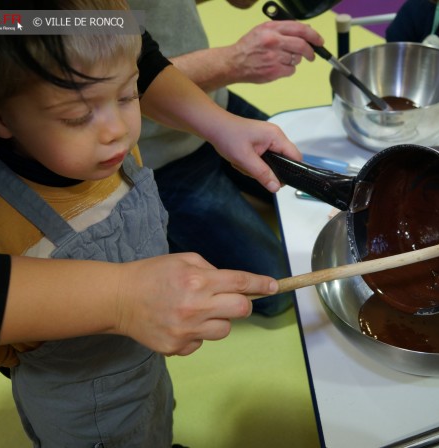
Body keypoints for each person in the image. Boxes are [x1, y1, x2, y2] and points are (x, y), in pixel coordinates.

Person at [0, 0, 303, 445]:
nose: (118, 131)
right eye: (76, 116)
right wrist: (105, 306)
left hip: (141, 366)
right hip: (85, 414)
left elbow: (127, 56)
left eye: (128, 96)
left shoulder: (106, 153)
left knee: (153, 421)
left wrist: (218, 125)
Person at [128, 0, 324, 317]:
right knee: (276, 291)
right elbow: (109, 57)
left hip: (213, 104)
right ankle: (158, 225)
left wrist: (221, 127)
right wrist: (231, 62)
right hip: (155, 154)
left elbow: (138, 53)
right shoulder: (32, 19)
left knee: (321, 195)